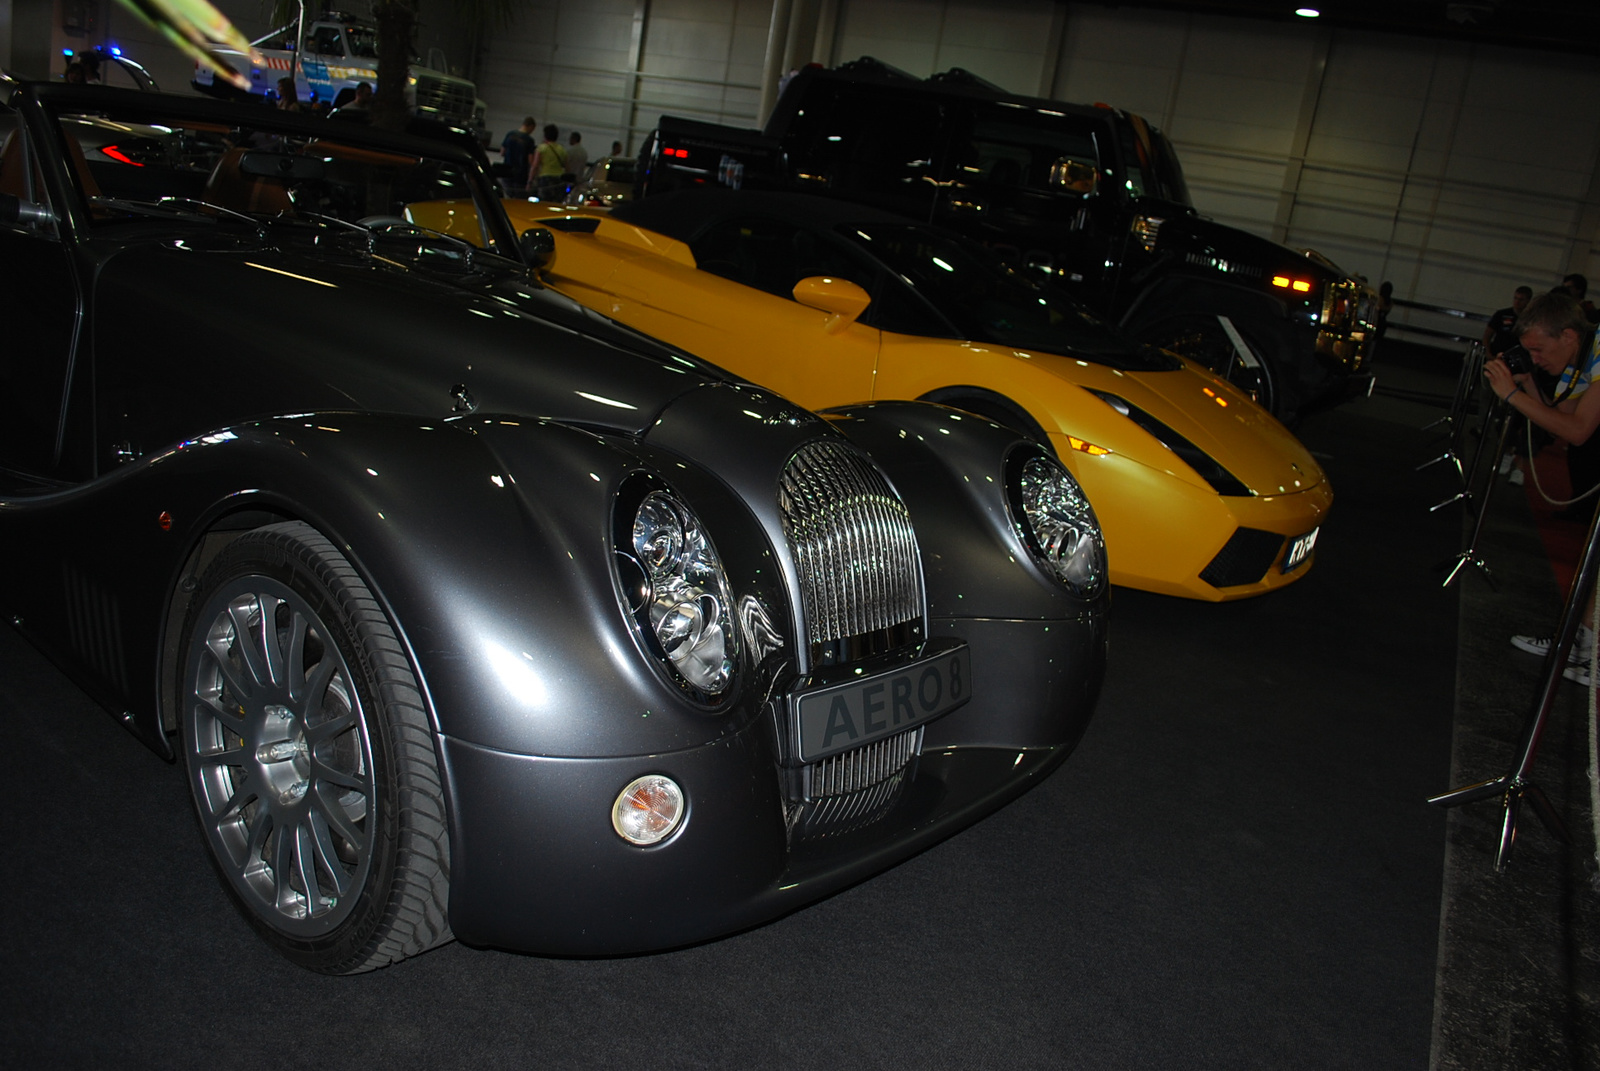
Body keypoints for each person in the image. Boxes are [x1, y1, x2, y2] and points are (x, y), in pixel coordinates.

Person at [1487, 292, 1600, 680]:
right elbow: (1557, 417)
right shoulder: (1581, 356)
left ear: (1567, 335)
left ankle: (1588, 653)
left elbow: (1579, 431)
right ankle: (1580, 646)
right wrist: (1526, 386)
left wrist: (1513, 395)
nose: (1535, 358)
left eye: (1537, 350)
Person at [1483, 285, 1533, 357]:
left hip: (1519, 356)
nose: (1517, 302)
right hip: (1498, 353)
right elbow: (1487, 336)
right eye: (1515, 298)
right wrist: (1488, 353)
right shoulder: (1502, 314)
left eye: (1521, 300)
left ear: (1528, 301)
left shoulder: (1531, 318)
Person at [528, 123, 567, 198]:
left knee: (544, 201)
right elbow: (567, 167)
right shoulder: (562, 149)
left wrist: (530, 181)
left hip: (545, 179)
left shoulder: (541, 148)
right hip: (559, 180)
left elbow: (535, 166)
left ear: (545, 135)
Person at [500, 117, 536, 197]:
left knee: (506, 197)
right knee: (518, 199)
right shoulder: (529, 140)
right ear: (531, 126)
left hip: (507, 172)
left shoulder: (510, 134)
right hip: (520, 175)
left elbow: (502, 152)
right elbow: (530, 161)